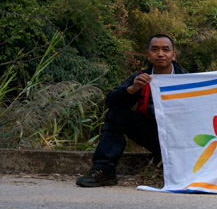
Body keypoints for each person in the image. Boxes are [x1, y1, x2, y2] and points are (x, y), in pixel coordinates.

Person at [76, 34, 185, 187]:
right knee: (117, 113)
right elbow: (111, 101)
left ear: (173, 55)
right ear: (148, 55)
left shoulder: (188, 79)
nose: (160, 54)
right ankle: (104, 170)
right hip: (151, 134)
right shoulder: (141, 77)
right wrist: (132, 89)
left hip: (180, 138)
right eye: (155, 50)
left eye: (165, 50)